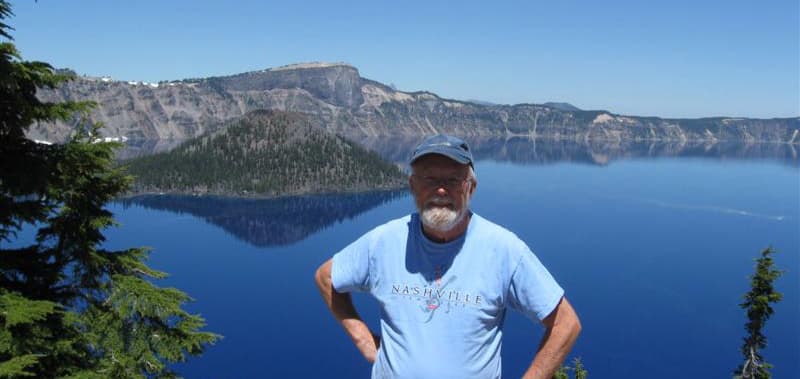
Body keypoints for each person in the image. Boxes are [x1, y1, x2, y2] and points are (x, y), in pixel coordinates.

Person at [315, 134, 581, 379]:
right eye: (429, 179)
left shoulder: (503, 249)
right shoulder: (384, 242)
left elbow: (565, 324)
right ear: (412, 185)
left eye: (453, 180)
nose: (440, 190)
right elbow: (326, 277)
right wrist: (364, 341)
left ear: (471, 188)